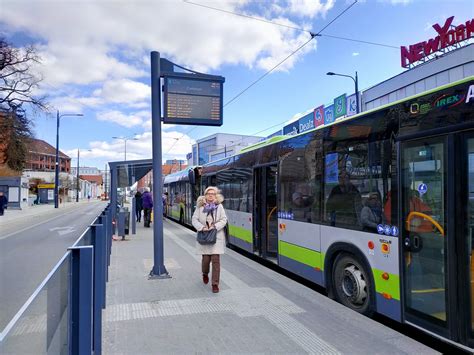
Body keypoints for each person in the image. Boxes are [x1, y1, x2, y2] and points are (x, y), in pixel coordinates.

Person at [192, 186, 228, 293]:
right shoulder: (200, 206)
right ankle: (205, 273)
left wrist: (215, 226)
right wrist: (202, 227)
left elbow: (224, 219)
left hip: (216, 236)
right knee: (206, 260)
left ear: (216, 195)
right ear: (205, 195)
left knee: (216, 261)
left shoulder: (219, 206)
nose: (211, 195)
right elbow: (194, 219)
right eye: (208, 193)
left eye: (213, 193)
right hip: (204, 236)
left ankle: (215, 284)